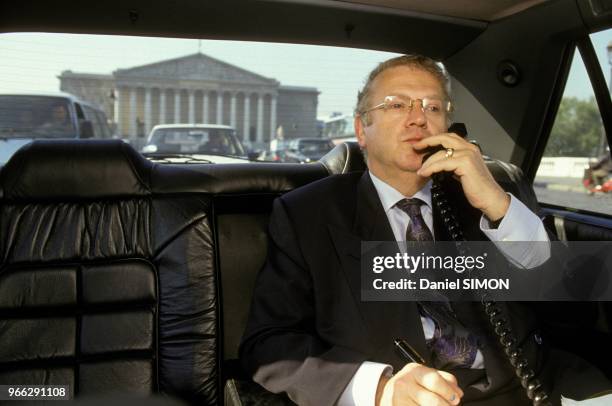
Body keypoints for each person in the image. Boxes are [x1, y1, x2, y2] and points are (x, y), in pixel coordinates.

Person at [239, 55, 611, 406]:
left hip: (527, 390)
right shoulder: (307, 213)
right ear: (361, 130)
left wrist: (498, 206)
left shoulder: (488, 196)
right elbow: (269, 346)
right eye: (397, 105)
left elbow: (568, 305)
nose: (418, 119)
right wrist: (379, 388)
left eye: (433, 107)